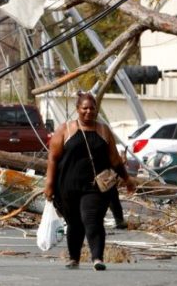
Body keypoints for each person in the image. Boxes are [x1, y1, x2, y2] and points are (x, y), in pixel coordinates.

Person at [44, 92, 135, 271]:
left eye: (92, 108)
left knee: (91, 218)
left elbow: (115, 160)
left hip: (95, 187)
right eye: (84, 108)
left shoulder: (103, 131)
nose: (88, 111)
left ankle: (97, 258)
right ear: (77, 110)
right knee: (74, 222)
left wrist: (127, 179)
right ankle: (74, 258)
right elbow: (53, 159)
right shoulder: (65, 130)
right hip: (67, 187)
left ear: (96, 110)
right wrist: (49, 184)